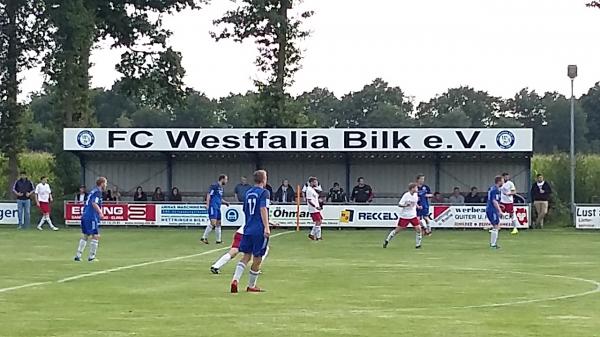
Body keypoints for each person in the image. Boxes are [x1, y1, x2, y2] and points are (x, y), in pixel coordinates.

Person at [230, 170, 270, 293]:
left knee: (246, 256)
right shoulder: (264, 192)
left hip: (247, 229)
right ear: (263, 179)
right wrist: (267, 226)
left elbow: (245, 210)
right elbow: (263, 209)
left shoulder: (248, 193)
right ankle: (251, 285)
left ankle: (235, 280)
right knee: (257, 258)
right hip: (259, 230)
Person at [211, 222, 275, 274]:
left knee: (234, 251)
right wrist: (271, 223)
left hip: (240, 233)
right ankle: (256, 268)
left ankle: (215, 266)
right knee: (263, 249)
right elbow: (262, 220)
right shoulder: (260, 211)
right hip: (248, 234)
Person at [74, 176, 107, 262]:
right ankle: (92, 257)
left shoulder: (93, 191)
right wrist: (100, 212)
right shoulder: (97, 192)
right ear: (102, 184)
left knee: (85, 235)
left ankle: (78, 255)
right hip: (91, 216)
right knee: (95, 235)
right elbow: (94, 203)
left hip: (85, 215)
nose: (106, 185)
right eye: (105, 183)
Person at [383, 183, 422, 249]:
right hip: (405, 216)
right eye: (416, 188)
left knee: (418, 229)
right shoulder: (406, 195)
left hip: (413, 215)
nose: (417, 189)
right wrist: (406, 205)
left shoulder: (415, 195)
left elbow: (415, 203)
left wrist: (418, 206)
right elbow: (400, 204)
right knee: (397, 230)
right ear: (412, 189)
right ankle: (387, 240)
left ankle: (418, 245)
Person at [201, 175, 230, 244]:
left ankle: (218, 240)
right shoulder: (214, 186)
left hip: (218, 207)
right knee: (213, 223)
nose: (226, 181)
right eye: (226, 179)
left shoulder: (221, 188)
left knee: (218, 223)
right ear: (222, 179)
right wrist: (207, 205)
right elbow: (209, 195)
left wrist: (225, 202)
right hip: (213, 206)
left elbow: (219, 198)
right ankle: (204, 237)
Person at [487, 176, 505, 249]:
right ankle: (493, 244)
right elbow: (494, 201)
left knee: (497, 225)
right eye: (503, 180)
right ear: (499, 181)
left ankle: (493, 243)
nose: (503, 182)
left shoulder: (492, 188)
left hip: (491, 209)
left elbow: (493, 200)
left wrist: (499, 205)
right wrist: (500, 211)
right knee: (496, 226)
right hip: (492, 210)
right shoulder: (495, 190)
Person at [306, 177, 323, 241]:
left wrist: (319, 201)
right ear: (311, 182)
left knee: (319, 221)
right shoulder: (309, 190)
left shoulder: (313, 189)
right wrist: (315, 206)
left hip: (316, 209)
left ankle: (312, 234)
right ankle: (318, 237)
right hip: (313, 209)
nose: (316, 183)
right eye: (315, 182)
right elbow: (309, 200)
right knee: (318, 221)